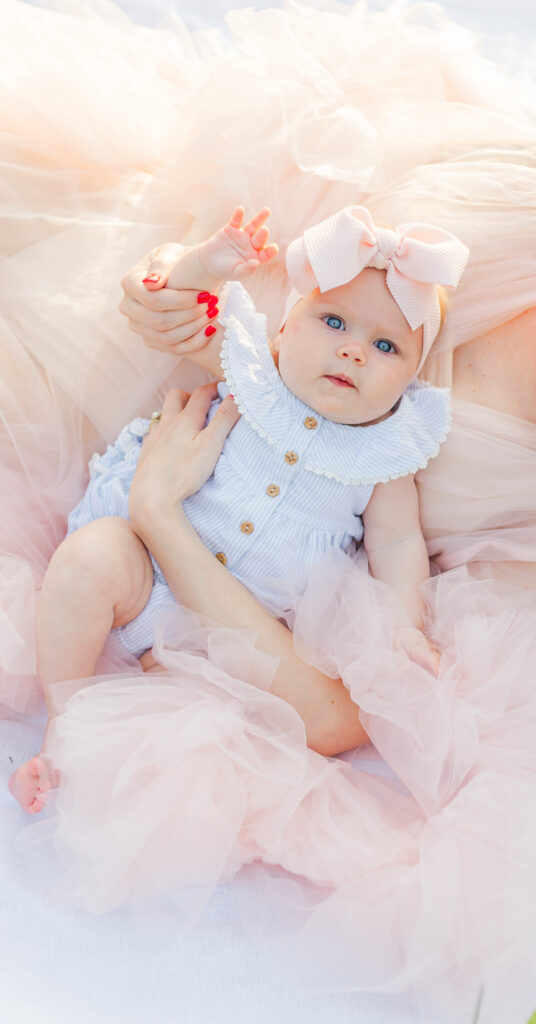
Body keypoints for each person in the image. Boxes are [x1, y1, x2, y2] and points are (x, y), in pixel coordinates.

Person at [1, 2, 536, 1019]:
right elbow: (261, 270)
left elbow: (336, 708)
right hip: (158, 374)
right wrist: (171, 293)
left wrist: (161, 519)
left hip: (191, 537)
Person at [9, 202, 467, 813]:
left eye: (386, 345)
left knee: (199, 734)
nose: (354, 351)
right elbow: (183, 302)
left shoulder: (387, 458)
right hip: (144, 571)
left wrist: (407, 624)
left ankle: (97, 762)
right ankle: (62, 723)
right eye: (333, 322)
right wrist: (207, 262)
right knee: (90, 560)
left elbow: (397, 544)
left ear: (410, 381)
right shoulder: (252, 372)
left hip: (234, 635)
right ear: (282, 329)